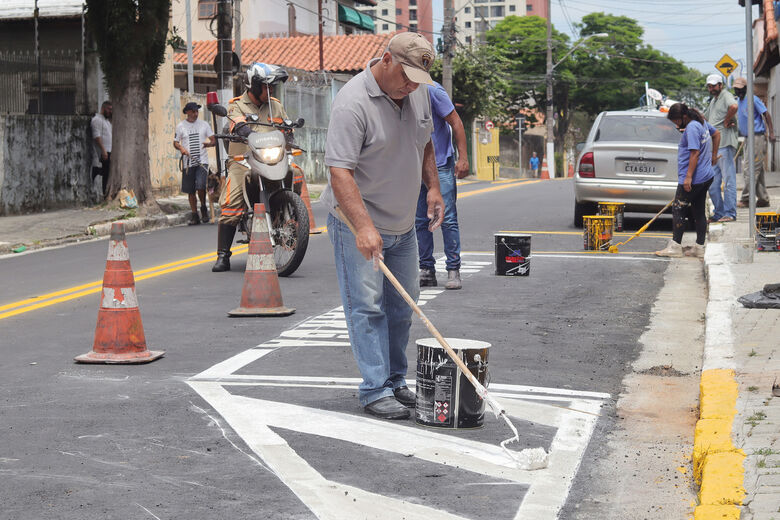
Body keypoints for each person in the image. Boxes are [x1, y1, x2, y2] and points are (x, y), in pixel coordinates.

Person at [321, 32, 443, 420]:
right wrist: (363, 227)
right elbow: (339, 171)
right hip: (357, 222)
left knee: (403, 305)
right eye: (405, 76)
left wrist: (433, 187)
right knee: (368, 308)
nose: (410, 85)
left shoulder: (418, 91)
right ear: (386, 59)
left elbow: (425, 142)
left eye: (416, 79)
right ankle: (374, 389)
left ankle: (395, 379)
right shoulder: (352, 103)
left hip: (404, 223)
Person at [212, 63, 290, 272]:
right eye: (267, 86)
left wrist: (290, 132)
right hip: (242, 160)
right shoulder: (236, 105)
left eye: (272, 87)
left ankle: (289, 217)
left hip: (270, 157)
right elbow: (237, 124)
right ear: (254, 86)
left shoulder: (275, 105)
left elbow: (285, 127)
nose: (271, 90)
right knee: (232, 201)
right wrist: (245, 131)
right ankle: (223, 255)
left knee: (295, 173)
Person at [416, 81, 469, 290]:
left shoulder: (433, 91)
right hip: (416, 167)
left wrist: (463, 157)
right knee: (421, 220)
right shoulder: (401, 93)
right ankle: (427, 270)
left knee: (446, 218)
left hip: (441, 166)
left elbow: (456, 122)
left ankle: (453, 269)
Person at [656, 103, 721, 259]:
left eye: (677, 121)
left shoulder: (692, 127)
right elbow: (717, 133)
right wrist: (713, 155)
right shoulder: (701, 122)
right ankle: (699, 248)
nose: (676, 125)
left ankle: (675, 247)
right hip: (706, 176)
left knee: (678, 208)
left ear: (684, 117)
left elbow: (694, 154)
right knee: (698, 211)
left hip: (695, 178)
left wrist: (688, 178)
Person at [732, 77, 775, 208]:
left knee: (749, 169)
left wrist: (771, 132)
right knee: (758, 170)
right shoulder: (738, 101)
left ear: (745, 88)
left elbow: (766, 114)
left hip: (757, 137)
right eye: (736, 89)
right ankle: (763, 199)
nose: (738, 91)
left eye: (740, 89)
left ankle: (746, 198)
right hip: (747, 138)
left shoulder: (753, 99)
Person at [703, 73, 738, 223]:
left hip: (724, 145)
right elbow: (705, 118)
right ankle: (719, 213)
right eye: (709, 86)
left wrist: (726, 120)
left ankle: (730, 213)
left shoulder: (725, 95)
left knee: (728, 180)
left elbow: (734, 106)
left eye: (714, 85)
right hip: (714, 146)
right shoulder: (714, 100)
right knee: (713, 182)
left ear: (720, 85)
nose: (711, 88)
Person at [174, 102, 216, 225]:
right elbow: (176, 142)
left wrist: (208, 144)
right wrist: (181, 149)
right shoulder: (181, 126)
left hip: (202, 161)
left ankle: (203, 208)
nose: (195, 113)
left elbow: (213, 140)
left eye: (197, 111)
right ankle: (194, 215)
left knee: (201, 186)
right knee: (190, 190)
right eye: (193, 111)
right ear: (187, 112)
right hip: (188, 162)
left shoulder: (204, 125)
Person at [91, 101, 112, 197]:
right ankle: (105, 194)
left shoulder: (106, 121)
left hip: (110, 150)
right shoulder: (96, 120)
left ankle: (97, 171)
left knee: (109, 172)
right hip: (105, 151)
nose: (110, 111)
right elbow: (97, 137)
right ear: (103, 108)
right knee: (106, 173)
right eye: (109, 109)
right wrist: (103, 150)